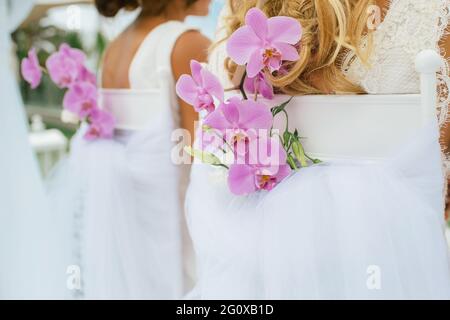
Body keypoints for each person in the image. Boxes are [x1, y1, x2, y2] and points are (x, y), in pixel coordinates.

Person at [185, 0, 450, 299]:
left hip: (264, 267)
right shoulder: (435, 15)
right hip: (391, 265)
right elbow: (438, 185)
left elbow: (217, 171)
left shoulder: (236, 13)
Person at [49, 0, 211, 299]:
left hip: (130, 232)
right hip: (175, 229)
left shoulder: (114, 47)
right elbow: (203, 153)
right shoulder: (186, 44)